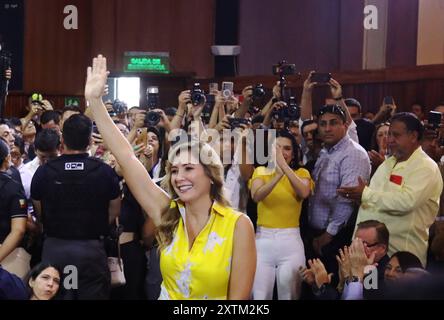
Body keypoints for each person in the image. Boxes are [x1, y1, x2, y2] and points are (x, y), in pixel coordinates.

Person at [85, 54, 256, 300]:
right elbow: (126, 157)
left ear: (210, 175)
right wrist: (95, 102)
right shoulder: (168, 213)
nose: (178, 177)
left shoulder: (238, 225)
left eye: (188, 168)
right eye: (174, 170)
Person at [31, 114, 121, 300]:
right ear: (89, 140)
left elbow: (39, 213)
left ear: (62, 140)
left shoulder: (44, 172)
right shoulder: (104, 172)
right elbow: (114, 211)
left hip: (55, 248)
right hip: (91, 250)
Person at [339, 113, 443, 266]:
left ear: (413, 136)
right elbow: (375, 200)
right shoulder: (388, 163)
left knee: (394, 291)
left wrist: (366, 194)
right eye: (389, 135)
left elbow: (406, 202)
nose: (389, 140)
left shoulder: (426, 167)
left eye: (396, 135)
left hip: (400, 259)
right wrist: (360, 196)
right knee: (368, 288)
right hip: (371, 256)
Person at [306, 104, 371, 275]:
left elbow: (347, 199)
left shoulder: (353, 153)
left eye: (333, 123)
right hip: (318, 234)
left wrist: (328, 235)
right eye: (322, 124)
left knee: (334, 287)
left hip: (336, 237)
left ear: (345, 125)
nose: (327, 128)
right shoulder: (326, 151)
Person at [249, 130, 312, 299]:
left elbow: (304, 192)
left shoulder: (302, 173)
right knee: (259, 296)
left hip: (291, 241)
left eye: (287, 148)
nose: (282, 152)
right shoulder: (261, 171)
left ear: (294, 152)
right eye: (277, 148)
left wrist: (284, 167)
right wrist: (277, 174)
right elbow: (256, 196)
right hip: (263, 241)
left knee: (289, 295)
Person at [0, 139, 28, 277]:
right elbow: (18, 230)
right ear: (7, 158)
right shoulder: (13, 187)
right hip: (6, 255)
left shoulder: (13, 185)